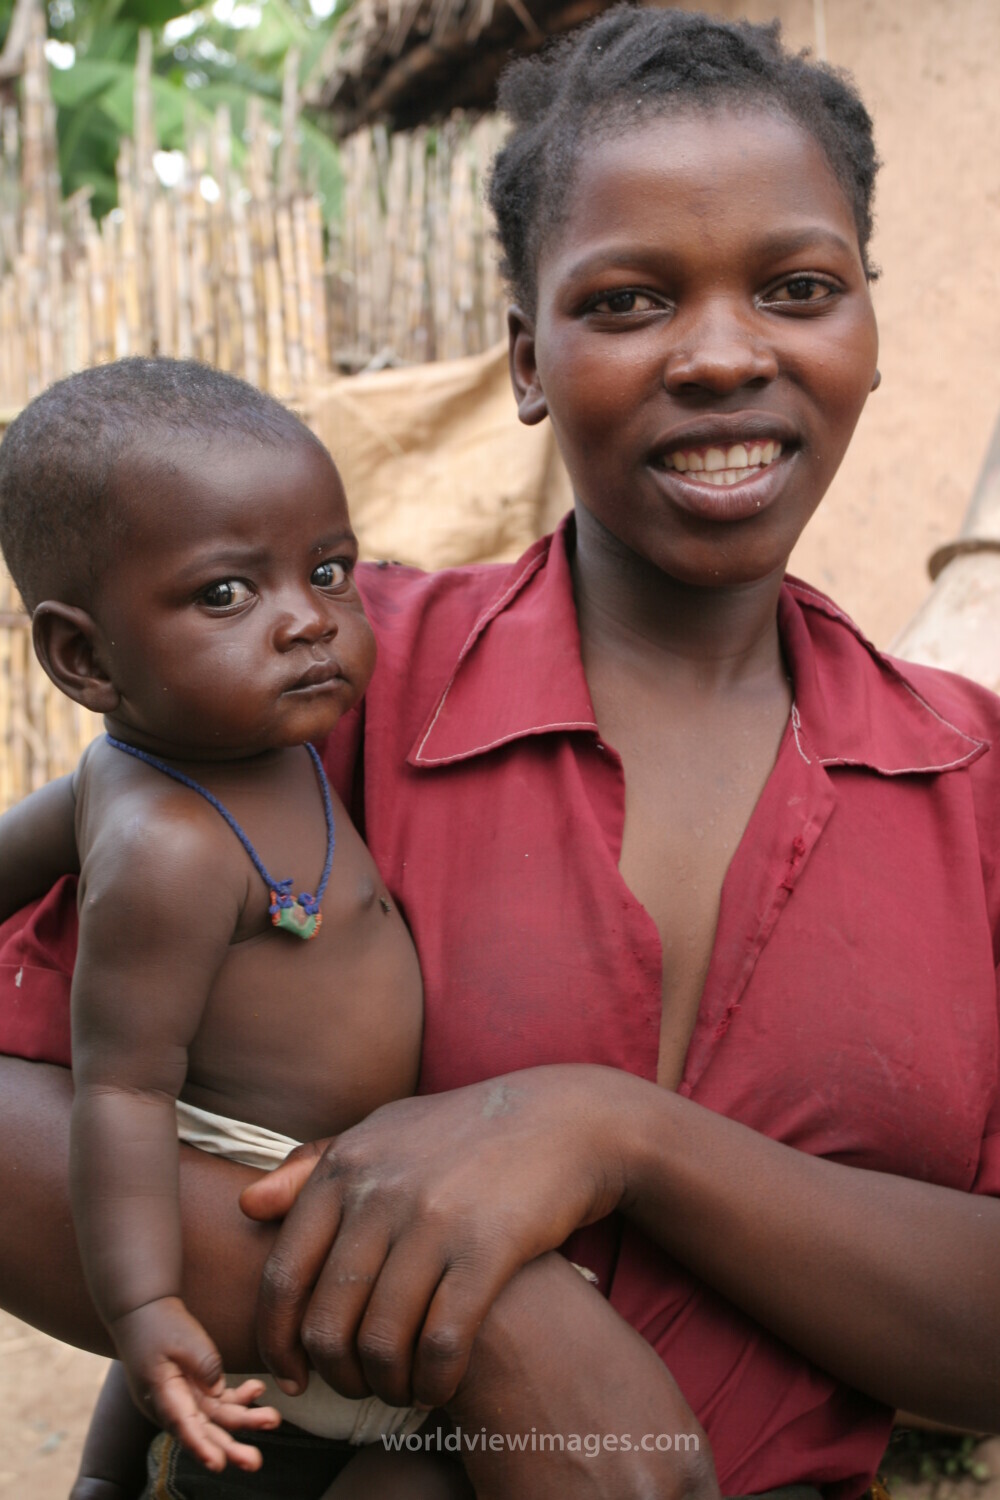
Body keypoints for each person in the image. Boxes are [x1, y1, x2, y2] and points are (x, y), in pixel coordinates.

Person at [0, 7, 998, 1499]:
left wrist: (615, 1138)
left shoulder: (973, 788)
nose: (724, 355)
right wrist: (511, 1341)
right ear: (528, 356)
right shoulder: (323, 692)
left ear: (866, 332)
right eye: (628, 302)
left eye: (798, 288)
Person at [0, 359, 476, 1498]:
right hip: (264, 1202)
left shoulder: (192, 756)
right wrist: (150, 1305)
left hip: (322, 1166)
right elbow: (122, 1092)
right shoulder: (168, 848)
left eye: (328, 571)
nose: (308, 620)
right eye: (226, 596)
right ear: (84, 658)